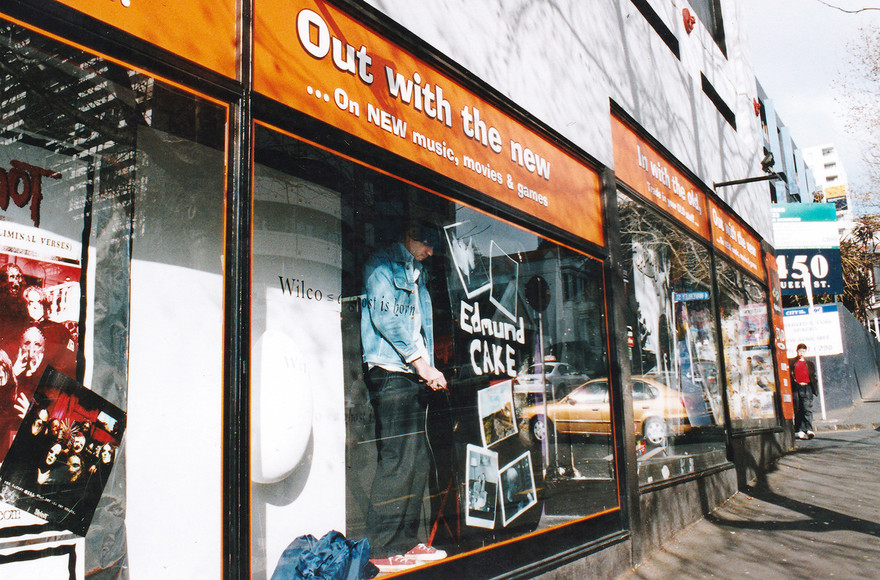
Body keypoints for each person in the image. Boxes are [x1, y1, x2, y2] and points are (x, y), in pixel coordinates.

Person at [361, 219, 448, 572]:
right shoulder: (380, 267)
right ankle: (381, 547)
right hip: (389, 372)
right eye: (427, 245)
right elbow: (388, 319)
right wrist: (423, 365)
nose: (430, 253)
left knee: (416, 462)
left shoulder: (417, 274)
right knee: (398, 460)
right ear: (410, 236)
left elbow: (419, 326)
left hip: (411, 374)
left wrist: (425, 366)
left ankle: (406, 542)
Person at [789, 343, 818, 440]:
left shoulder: (809, 364)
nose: (801, 353)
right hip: (797, 387)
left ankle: (809, 429)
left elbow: (813, 376)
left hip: (807, 387)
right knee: (798, 409)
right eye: (800, 351)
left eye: (803, 351)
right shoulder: (792, 362)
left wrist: (815, 388)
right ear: (797, 351)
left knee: (807, 408)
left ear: (805, 351)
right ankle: (799, 430)